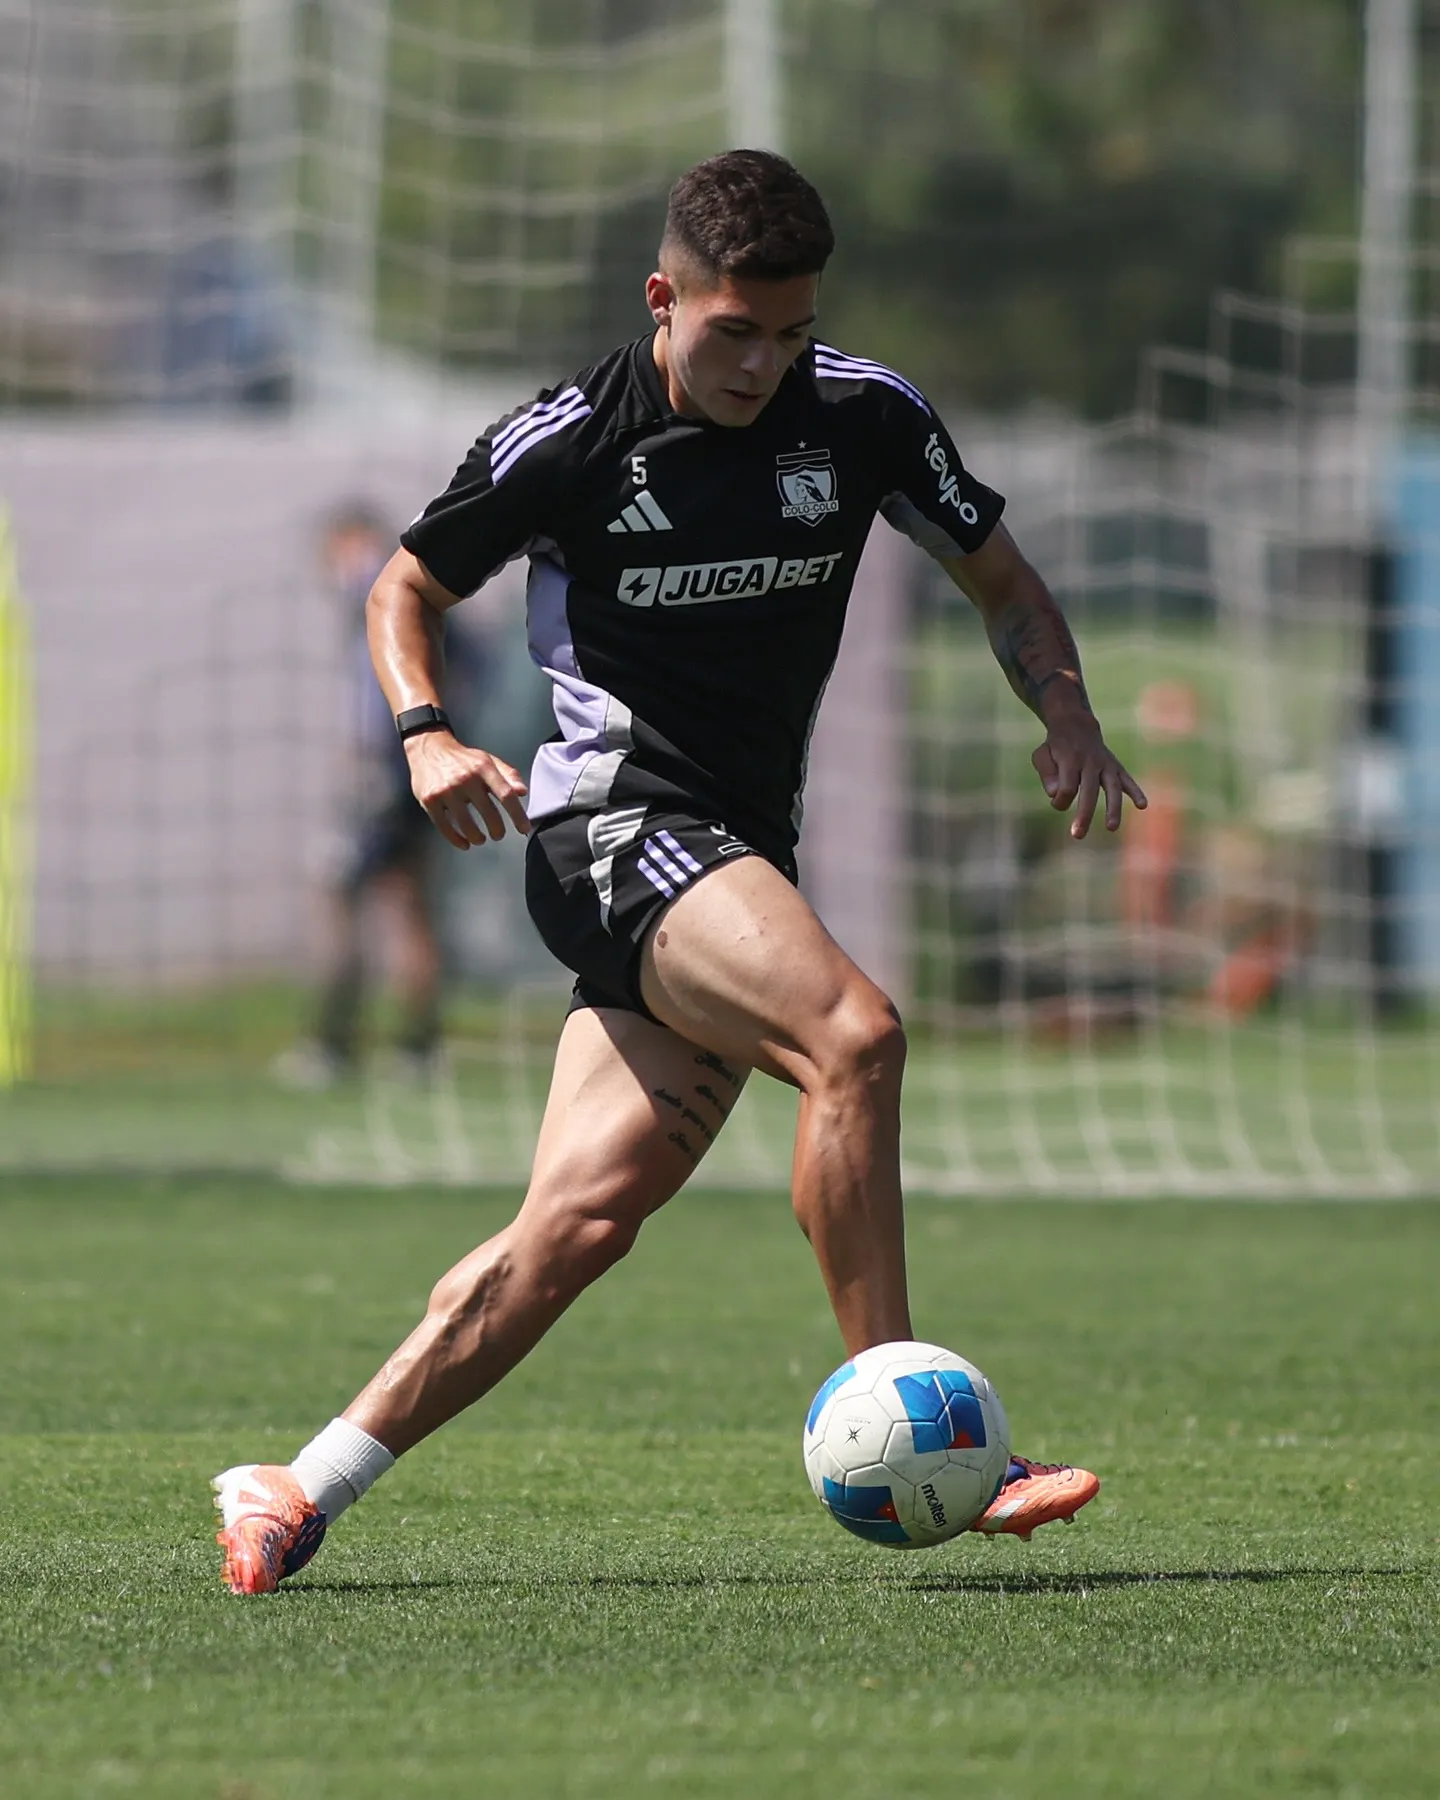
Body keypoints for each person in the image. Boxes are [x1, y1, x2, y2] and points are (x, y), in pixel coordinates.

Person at [215, 150, 1147, 1593]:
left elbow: (1005, 583)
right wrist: (425, 736)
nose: (765, 362)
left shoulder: (865, 415)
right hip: (610, 829)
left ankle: (298, 1485)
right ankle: (920, 1414)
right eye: (735, 331)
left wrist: (1069, 713)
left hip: (732, 849)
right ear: (667, 297)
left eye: (790, 330)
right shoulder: (570, 439)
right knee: (859, 1037)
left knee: (575, 1228)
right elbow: (406, 585)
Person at [272, 503, 486, 1087]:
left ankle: (335, 1046)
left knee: (347, 903)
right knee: (409, 905)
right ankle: (417, 1049)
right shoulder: (413, 600)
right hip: (414, 769)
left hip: (390, 775)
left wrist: (386, 758)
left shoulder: (379, 588)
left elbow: (396, 688)